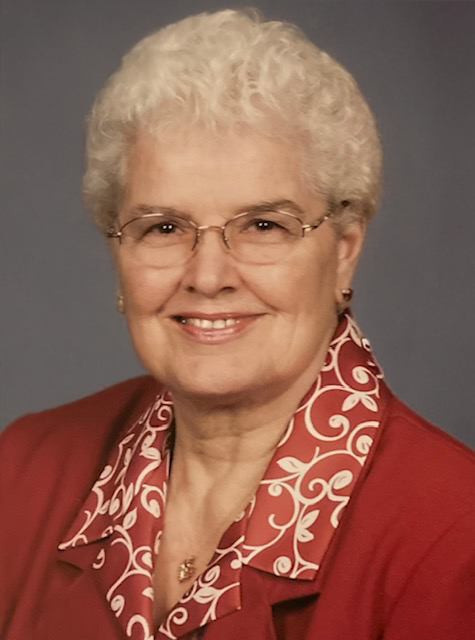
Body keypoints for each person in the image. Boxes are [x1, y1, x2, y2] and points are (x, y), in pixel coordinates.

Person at [1, 8, 474, 640]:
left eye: (263, 225)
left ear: (344, 250)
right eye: (164, 227)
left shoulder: (453, 537)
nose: (207, 275)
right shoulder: (22, 473)